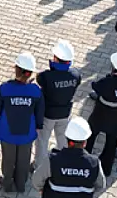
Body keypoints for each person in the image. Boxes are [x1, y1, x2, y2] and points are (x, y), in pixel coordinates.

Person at [34, 117, 106, 198]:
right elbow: (100, 185)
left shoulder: (53, 160)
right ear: (84, 142)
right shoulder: (94, 163)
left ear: (67, 140)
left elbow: (36, 180)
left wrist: (42, 190)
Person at [0, 52, 44, 193]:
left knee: (8, 160)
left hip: (7, 133)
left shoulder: (4, 89)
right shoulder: (35, 91)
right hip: (27, 134)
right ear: (30, 73)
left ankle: (7, 184)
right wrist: (38, 126)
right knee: (24, 161)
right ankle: (21, 184)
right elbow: (40, 112)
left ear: (16, 69)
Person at [85, 51, 117, 176]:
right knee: (111, 144)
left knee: (89, 137)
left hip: (100, 116)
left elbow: (95, 86)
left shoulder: (107, 83)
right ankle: (106, 169)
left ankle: (85, 162)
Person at [34, 39, 81, 172]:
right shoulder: (76, 75)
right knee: (62, 140)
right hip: (65, 114)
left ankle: (40, 167)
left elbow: (39, 79)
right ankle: (64, 163)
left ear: (55, 58)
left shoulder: (46, 77)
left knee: (42, 141)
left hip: (48, 115)